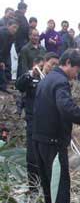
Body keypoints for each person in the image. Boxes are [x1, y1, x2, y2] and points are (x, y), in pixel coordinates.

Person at [32, 49, 80, 203]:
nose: (76, 75)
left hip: (39, 140)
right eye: (76, 69)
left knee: (48, 185)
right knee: (60, 186)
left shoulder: (46, 80)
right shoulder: (60, 82)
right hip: (53, 143)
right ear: (68, 63)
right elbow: (66, 108)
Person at [15, 57, 45, 189]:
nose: (41, 68)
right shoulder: (28, 77)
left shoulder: (47, 78)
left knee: (45, 155)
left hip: (46, 122)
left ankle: (45, 185)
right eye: (39, 65)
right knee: (32, 155)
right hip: (32, 121)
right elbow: (19, 86)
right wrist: (31, 74)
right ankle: (33, 186)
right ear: (34, 65)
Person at [0, 20, 19, 91]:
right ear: (8, 25)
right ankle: (3, 87)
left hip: (5, 54)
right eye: (14, 27)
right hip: (1, 53)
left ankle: (6, 84)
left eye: (17, 28)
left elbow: (7, 50)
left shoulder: (11, 36)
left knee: (7, 66)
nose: (15, 30)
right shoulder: (3, 33)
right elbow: (1, 48)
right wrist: (1, 61)